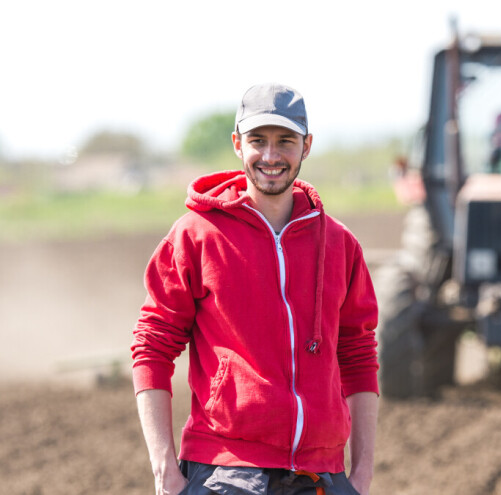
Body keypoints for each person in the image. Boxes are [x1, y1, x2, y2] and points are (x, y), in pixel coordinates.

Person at [131, 83, 379, 495]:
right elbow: (152, 345)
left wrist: (362, 473)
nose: (270, 155)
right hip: (225, 472)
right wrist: (164, 470)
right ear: (237, 144)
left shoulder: (339, 244)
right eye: (257, 141)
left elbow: (357, 354)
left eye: (285, 141)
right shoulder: (196, 235)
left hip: (322, 472)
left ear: (307, 146)